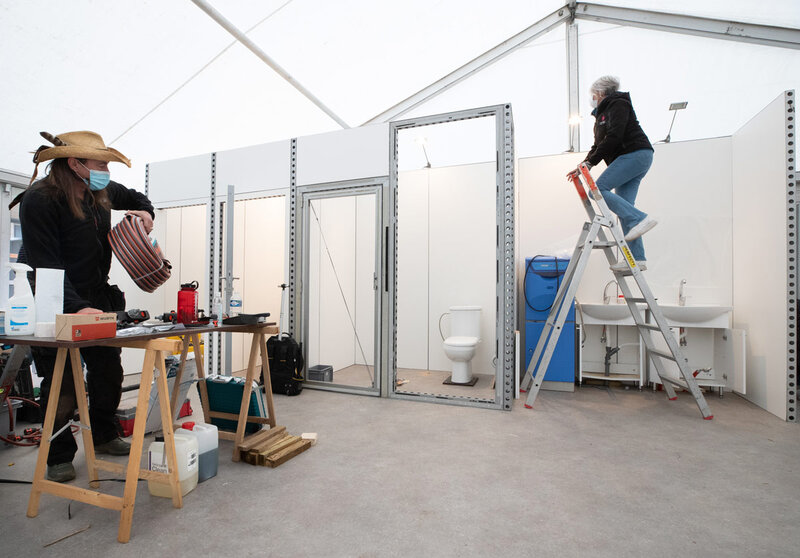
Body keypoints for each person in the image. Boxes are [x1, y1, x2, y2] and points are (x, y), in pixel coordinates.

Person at [13, 130, 155, 483]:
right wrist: (76, 307)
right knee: (61, 380)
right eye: (101, 162)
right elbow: (45, 265)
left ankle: (105, 435)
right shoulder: (40, 200)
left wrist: (146, 213)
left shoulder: (101, 191)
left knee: (108, 371)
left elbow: (136, 196)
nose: (106, 169)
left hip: (95, 293)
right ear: (75, 163)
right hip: (51, 296)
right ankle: (58, 457)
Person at [580, 75, 656, 271]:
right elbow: (598, 144)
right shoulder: (600, 115)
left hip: (635, 154)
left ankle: (640, 218)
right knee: (624, 209)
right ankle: (638, 259)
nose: (592, 98)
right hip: (629, 157)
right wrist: (585, 163)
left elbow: (615, 136)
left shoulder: (618, 104)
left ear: (600, 93)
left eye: (593, 94)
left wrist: (591, 163)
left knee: (597, 190)